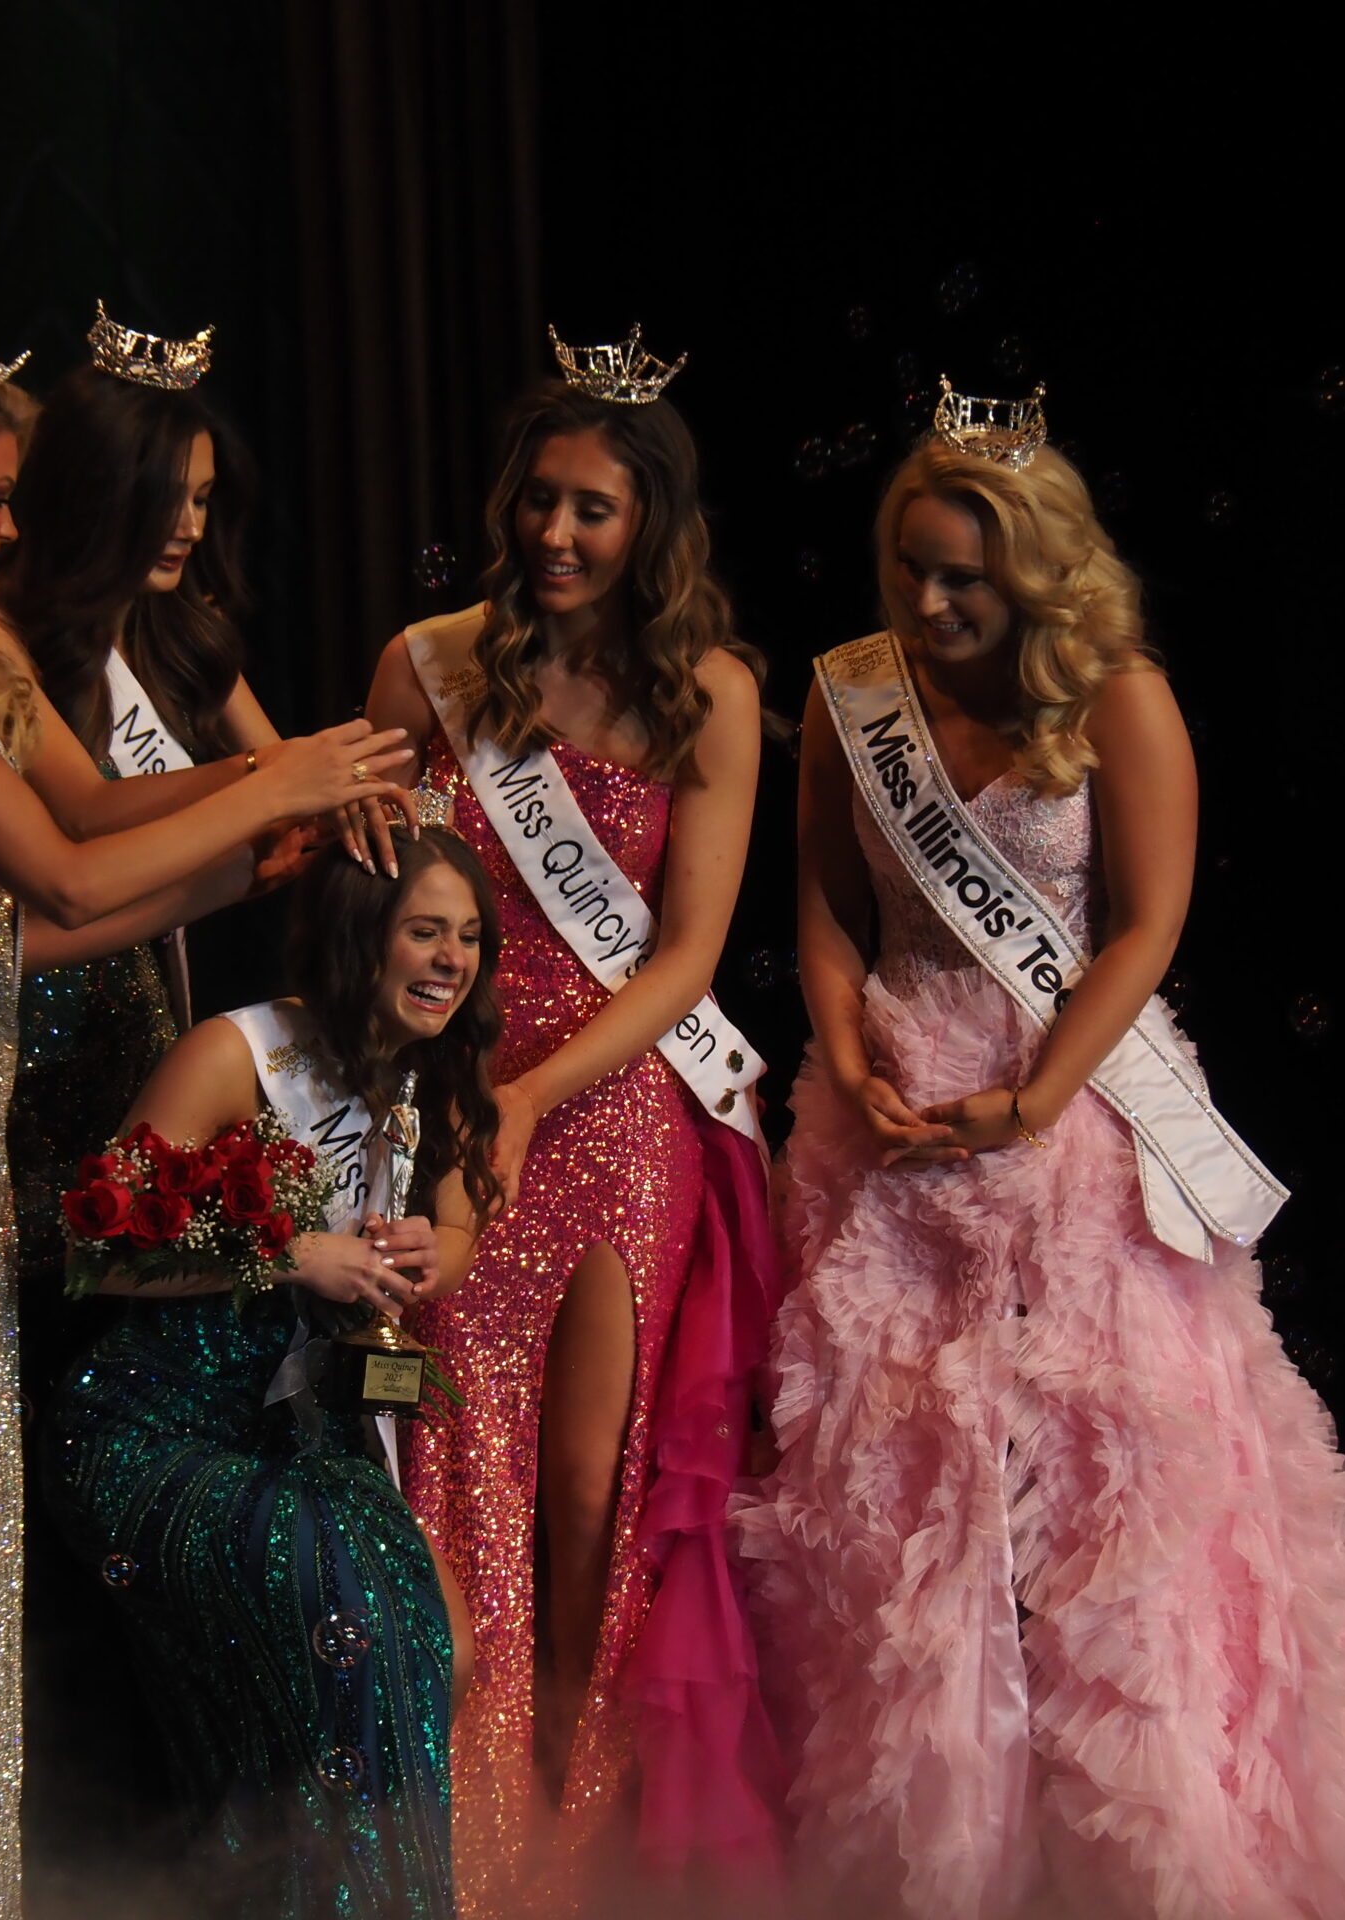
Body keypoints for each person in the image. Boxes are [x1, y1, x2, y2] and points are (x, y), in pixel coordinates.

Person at [732, 402, 1345, 1918]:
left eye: (965, 577)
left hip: (1076, 1118)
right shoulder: (854, 695)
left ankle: (1129, 1853)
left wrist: (1030, 1105)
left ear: (1036, 572)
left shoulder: (1117, 696)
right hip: (891, 1121)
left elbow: (1146, 927)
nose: (929, 603)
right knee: (903, 1491)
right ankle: (947, 1857)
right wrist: (845, 1056)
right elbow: (830, 910)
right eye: (909, 567)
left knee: (1118, 1493)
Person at [0, 318, 410, 1918]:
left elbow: (101, 823)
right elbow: (50, 877)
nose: (10, 524)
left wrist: (254, 836)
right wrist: (276, 786)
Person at [365, 331, 785, 1903]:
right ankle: (473, 1839)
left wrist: (541, 1088)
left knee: (596, 1493)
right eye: (538, 500)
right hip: (457, 1099)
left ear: (652, 525)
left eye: (592, 510)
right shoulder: (429, 668)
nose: (555, 534)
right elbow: (373, 894)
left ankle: (588, 1833)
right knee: (459, 1464)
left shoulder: (716, 696)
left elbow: (685, 956)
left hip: (611, 1110)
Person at [45, 826, 500, 1918]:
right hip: (156, 1424)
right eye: (424, 931)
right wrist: (293, 1253)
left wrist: (447, 1248)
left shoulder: (421, 1083)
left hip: (301, 1432)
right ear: (357, 937)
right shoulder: (236, 1054)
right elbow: (93, 1249)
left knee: (439, 1640)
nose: (451, 960)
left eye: (470, 937)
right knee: (349, 1609)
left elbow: (462, 1218)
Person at [0, 314, 297, 1861]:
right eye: (165, 494)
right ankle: (62, 1824)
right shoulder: (12, 655)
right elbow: (105, 821)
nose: (188, 522)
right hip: (41, 1062)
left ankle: (158, 1812)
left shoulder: (183, 643)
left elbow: (286, 774)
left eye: (204, 493)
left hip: (153, 1040)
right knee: (50, 1414)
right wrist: (279, 797)